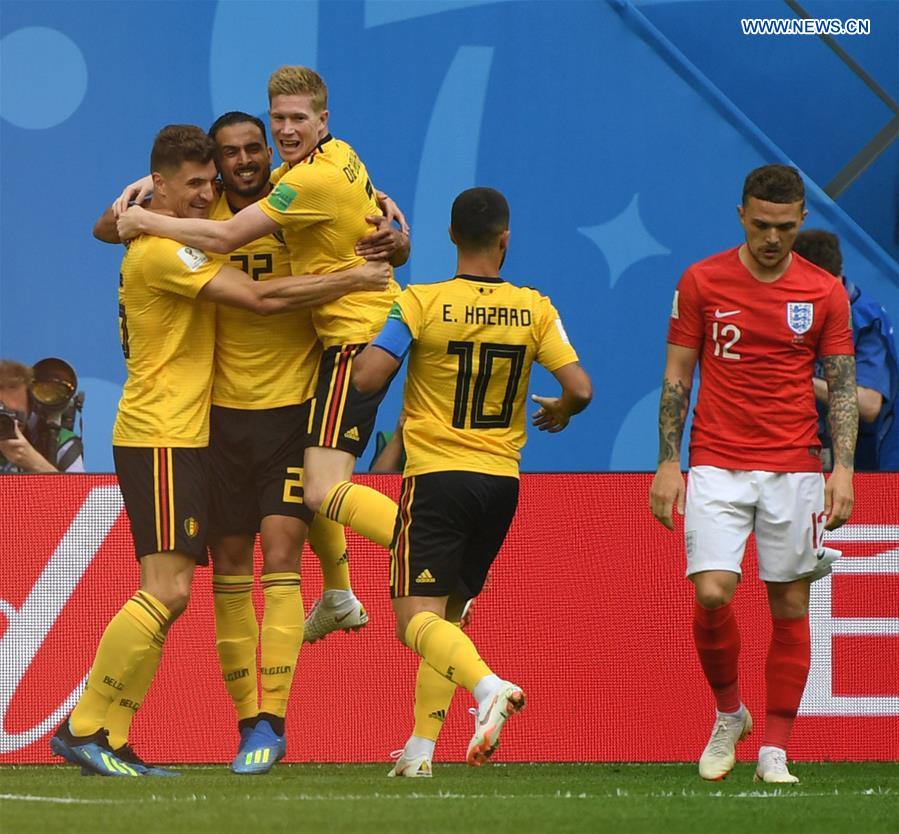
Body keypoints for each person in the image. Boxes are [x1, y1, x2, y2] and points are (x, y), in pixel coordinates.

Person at [50, 124, 390, 777]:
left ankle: (108, 734)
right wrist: (352, 279)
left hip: (185, 435)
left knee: (174, 590)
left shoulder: (181, 229)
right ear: (162, 187)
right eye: (197, 184)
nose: (209, 193)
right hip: (162, 435)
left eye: (214, 182)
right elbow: (260, 298)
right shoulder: (161, 251)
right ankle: (84, 726)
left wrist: (389, 234)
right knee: (168, 589)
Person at [116, 68, 407, 571]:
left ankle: (420, 547)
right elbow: (105, 225)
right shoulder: (327, 160)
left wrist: (146, 218)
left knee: (316, 497)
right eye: (280, 118)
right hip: (232, 404)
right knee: (292, 511)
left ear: (322, 119)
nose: (287, 129)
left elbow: (237, 256)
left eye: (297, 119)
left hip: (338, 351)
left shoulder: (302, 183)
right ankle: (345, 589)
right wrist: (149, 187)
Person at [351, 187, 592, 777]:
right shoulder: (535, 308)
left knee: (416, 621)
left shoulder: (422, 302)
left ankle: (487, 689)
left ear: (452, 236)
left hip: (437, 478)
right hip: (501, 485)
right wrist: (560, 408)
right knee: (448, 620)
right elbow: (581, 389)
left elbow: (367, 378)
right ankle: (421, 750)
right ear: (505, 239)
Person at [649, 165, 858, 784]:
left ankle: (774, 749)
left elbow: (843, 388)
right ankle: (728, 713)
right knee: (712, 592)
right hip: (716, 460)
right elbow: (677, 376)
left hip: (795, 465)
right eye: (762, 225)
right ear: (741, 215)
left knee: (790, 603)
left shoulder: (824, 292)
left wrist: (841, 469)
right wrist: (667, 460)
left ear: (802, 221)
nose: (773, 238)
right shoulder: (702, 280)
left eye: (786, 227)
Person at [793, 229, 899, 471]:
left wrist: (797, 379)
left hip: (872, 464)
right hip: (806, 456)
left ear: (837, 277)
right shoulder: (790, 311)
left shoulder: (865, 319)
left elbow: (869, 404)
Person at [0, 359, 84, 474]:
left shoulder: (61, 441)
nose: (7, 420)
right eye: (2, 412)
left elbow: (79, 491)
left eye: (16, 414)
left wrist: (34, 463)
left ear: (30, 411)